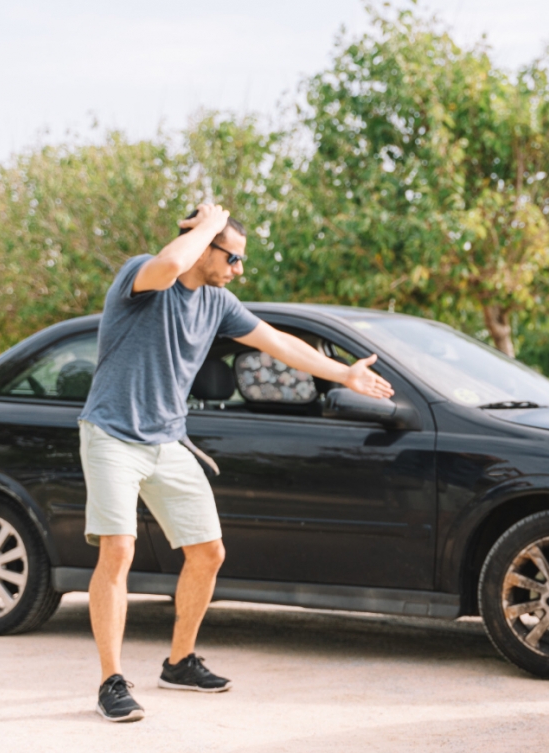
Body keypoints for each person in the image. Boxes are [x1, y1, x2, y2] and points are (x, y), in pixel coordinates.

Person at [79, 203, 394, 722]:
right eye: (233, 257)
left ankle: (178, 662)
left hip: (167, 439)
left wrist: (344, 375)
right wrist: (205, 225)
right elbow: (167, 266)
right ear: (204, 246)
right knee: (118, 550)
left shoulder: (218, 304)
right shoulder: (142, 275)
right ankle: (111, 681)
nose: (239, 269)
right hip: (112, 433)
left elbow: (279, 343)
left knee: (209, 552)